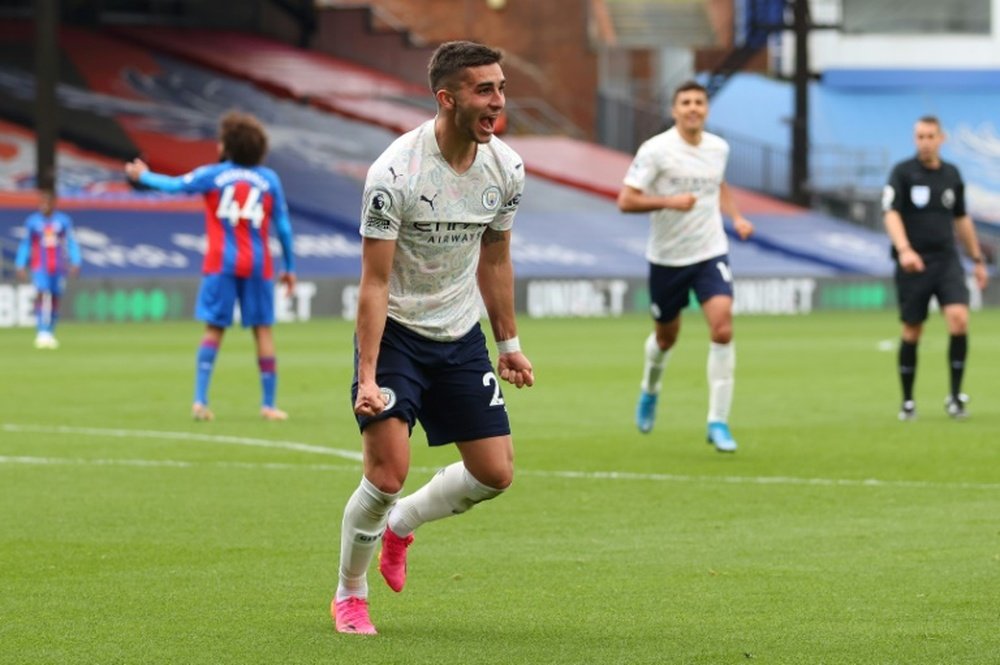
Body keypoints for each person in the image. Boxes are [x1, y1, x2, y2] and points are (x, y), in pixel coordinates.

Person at [332, 40, 534, 636]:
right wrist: (367, 376)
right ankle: (350, 593)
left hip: (460, 333)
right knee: (387, 471)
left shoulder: (507, 169)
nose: (498, 101)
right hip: (396, 332)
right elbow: (372, 282)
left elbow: (496, 257)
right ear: (447, 98)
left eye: (500, 87)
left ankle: (400, 527)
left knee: (495, 474)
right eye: (484, 90)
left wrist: (509, 343)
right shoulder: (394, 174)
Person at [124, 110, 296, 422]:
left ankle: (200, 401)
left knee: (214, 329)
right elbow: (283, 227)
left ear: (228, 145)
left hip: (221, 263)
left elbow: (174, 186)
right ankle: (269, 405)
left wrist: (142, 175)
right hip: (258, 265)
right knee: (263, 331)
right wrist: (290, 267)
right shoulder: (270, 180)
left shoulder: (214, 175)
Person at [617, 80, 754, 453]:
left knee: (723, 328)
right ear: (675, 110)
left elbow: (718, 183)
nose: (693, 108)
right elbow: (626, 200)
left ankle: (718, 421)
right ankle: (650, 389)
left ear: (706, 109)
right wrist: (669, 201)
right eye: (686, 102)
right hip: (667, 259)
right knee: (666, 338)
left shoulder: (718, 148)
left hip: (710, 252)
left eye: (699, 102)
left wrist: (737, 217)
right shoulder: (657, 150)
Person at [882, 115, 989, 421]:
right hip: (914, 262)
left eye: (930, 136)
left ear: (942, 139)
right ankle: (908, 402)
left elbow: (962, 219)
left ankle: (955, 398)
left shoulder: (952, 174)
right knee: (912, 329)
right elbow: (890, 213)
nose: (925, 142)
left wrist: (977, 259)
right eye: (919, 136)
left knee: (958, 319)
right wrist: (904, 250)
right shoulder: (902, 173)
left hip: (946, 259)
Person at [14, 189, 82, 349]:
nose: (43, 205)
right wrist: (20, 263)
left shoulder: (63, 221)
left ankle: (50, 331)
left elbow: (71, 242)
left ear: (53, 203)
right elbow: (26, 243)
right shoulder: (33, 221)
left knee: (54, 298)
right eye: (41, 202)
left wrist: (76, 260)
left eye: (46, 202)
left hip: (58, 266)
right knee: (40, 294)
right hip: (40, 266)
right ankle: (41, 331)